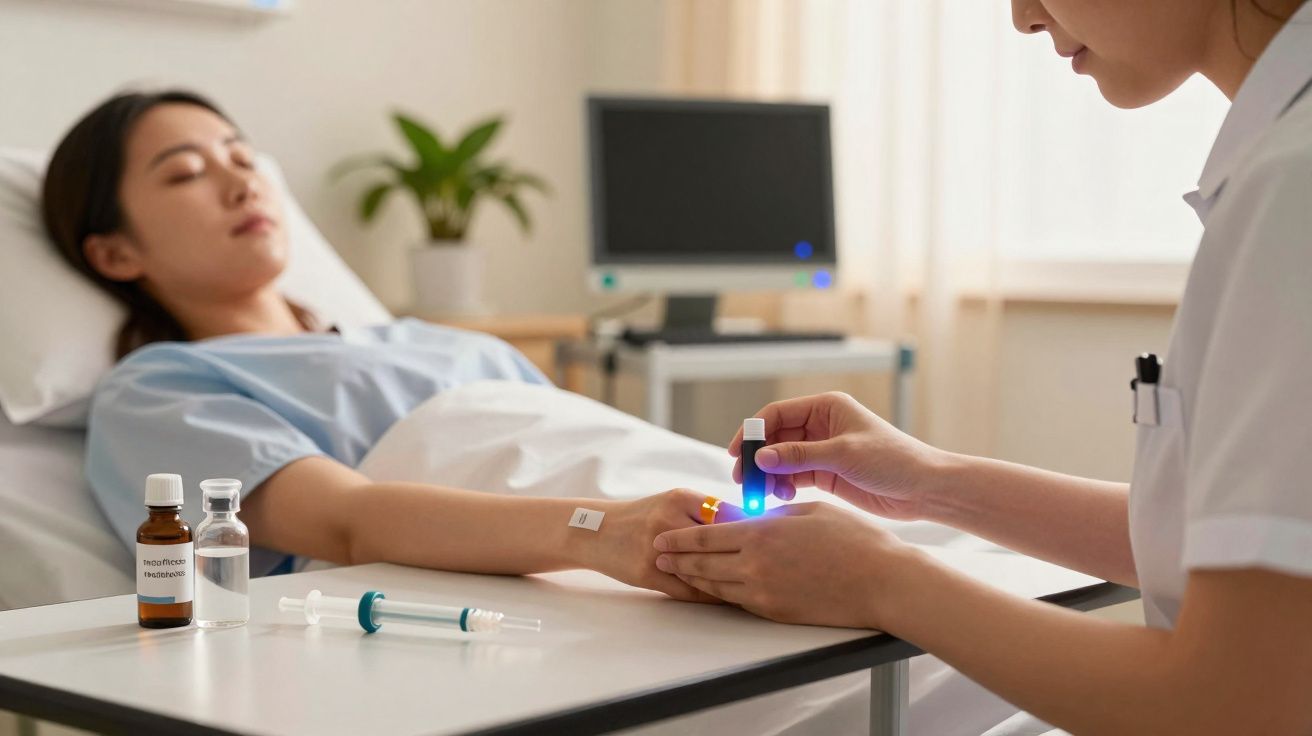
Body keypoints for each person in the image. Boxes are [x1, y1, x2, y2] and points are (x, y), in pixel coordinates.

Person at [654, 0, 1312, 733]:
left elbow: (1236, 704)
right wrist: (930, 481)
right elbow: (1229, 548)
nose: (1022, 16)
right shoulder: (1281, 165)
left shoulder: (1295, 189)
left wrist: (879, 580)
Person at [42, 89, 742, 598]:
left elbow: (581, 448)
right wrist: (601, 531)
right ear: (114, 255)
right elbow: (349, 523)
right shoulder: (159, 388)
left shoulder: (434, 342)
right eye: (186, 173)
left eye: (242, 156)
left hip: (661, 513)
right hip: (574, 570)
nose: (241, 181)